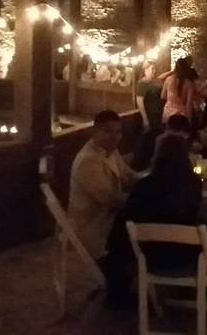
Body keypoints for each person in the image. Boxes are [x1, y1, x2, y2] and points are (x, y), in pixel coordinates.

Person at [103, 134, 203, 307]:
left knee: (120, 241)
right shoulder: (193, 183)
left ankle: (119, 293)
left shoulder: (145, 186)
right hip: (187, 255)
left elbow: (124, 222)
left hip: (151, 255)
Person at [68, 111, 137, 288]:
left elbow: (129, 176)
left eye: (118, 132)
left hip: (110, 217)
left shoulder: (110, 152)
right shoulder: (88, 161)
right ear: (94, 131)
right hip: (96, 225)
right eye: (108, 131)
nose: (114, 137)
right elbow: (109, 199)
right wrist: (143, 197)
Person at [162, 57, 195, 123]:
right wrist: (190, 121)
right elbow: (189, 105)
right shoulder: (189, 84)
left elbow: (163, 96)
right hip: (181, 115)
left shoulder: (168, 80)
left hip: (168, 114)